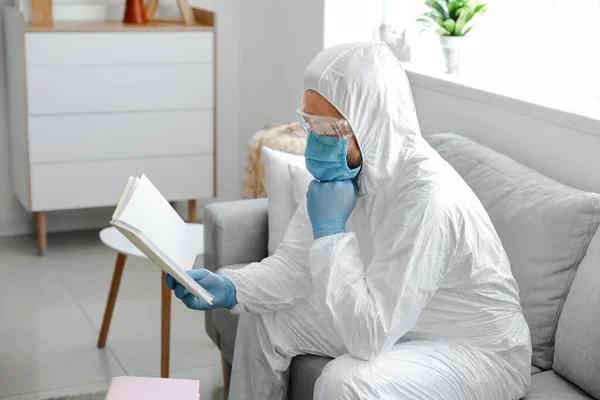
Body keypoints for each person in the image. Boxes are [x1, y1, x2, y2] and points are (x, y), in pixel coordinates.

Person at [166, 42, 532, 400]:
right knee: (264, 317)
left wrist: (330, 234)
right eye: (309, 124)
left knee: (344, 382)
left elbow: (368, 336)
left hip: (478, 351)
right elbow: (294, 266)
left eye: (329, 129)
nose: (316, 143)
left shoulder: (428, 199)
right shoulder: (352, 172)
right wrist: (231, 287)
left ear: (371, 121)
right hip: (403, 322)